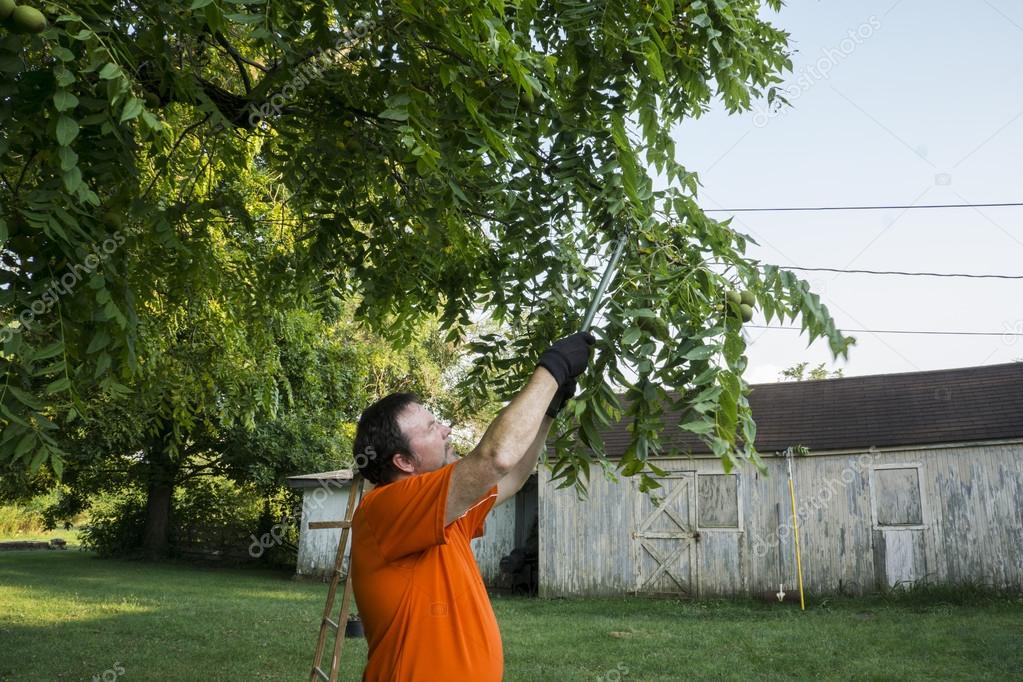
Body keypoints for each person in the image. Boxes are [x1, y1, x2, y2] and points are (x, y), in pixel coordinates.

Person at [350, 332, 596, 681]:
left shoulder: (442, 514)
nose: (446, 430)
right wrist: (551, 369)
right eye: (432, 427)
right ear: (404, 461)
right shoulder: (384, 510)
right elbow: (495, 457)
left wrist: (549, 409)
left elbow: (511, 476)